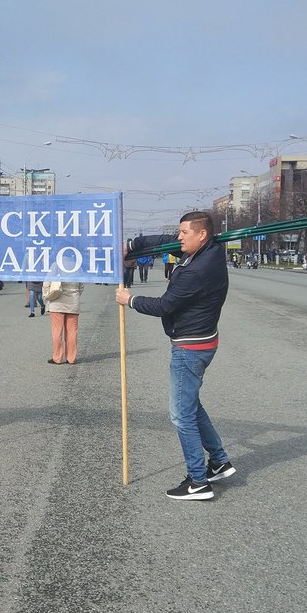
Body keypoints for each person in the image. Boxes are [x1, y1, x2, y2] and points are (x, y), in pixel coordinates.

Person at [115, 211, 234, 501]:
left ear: (201, 235)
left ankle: (198, 482)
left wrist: (130, 300)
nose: (178, 238)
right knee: (191, 405)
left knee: (181, 415)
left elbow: (165, 306)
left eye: (184, 233)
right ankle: (219, 461)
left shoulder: (197, 270)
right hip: (203, 340)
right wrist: (132, 245)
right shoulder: (211, 248)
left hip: (190, 347)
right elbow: (164, 240)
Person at [42, 280, 84, 364]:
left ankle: (57, 358)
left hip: (56, 302)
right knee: (72, 332)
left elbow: (46, 284)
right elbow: (81, 287)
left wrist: (47, 296)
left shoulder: (54, 267)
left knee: (57, 332)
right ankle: (71, 358)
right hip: (73, 302)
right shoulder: (77, 268)